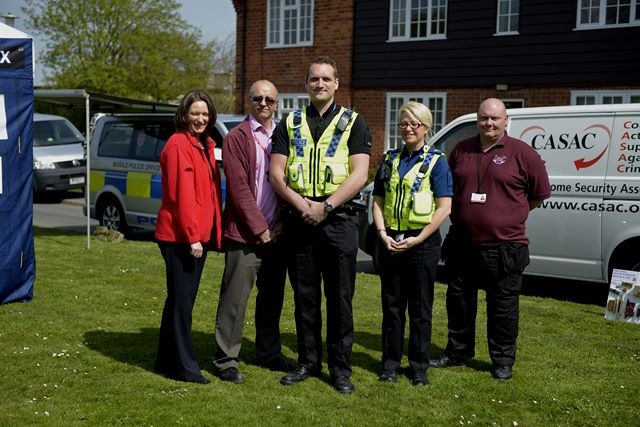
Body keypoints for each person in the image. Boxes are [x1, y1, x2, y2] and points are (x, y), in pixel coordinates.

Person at [269, 56, 371, 394]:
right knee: (305, 297)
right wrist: (304, 206)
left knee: (340, 298)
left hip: (339, 220)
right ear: (307, 84)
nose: (320, 84)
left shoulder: (354, 123)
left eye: (326, 79)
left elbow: (360, 174)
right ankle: (307, 362)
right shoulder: (290, 122)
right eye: (314, 79)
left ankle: (340, 369)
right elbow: (276, 174)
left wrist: (326, 206)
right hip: (301, 220)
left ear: (337, 83)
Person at [430, 98, 551, 380]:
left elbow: (538, 195)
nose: (489, 123)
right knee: (458, 302)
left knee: (503, 307)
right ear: (477, 120)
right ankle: (457, 352)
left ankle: (502, 361)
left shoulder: (523, 153)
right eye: (484, 118)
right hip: (462, 242)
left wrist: (507, 214)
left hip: (505, 245)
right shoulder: (461, 150)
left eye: (495, 118)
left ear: (506, 120)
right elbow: (450, 189)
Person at [212, 80, 291, 383]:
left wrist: (281, 223)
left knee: (272, 298)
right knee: (234, 299)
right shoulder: (236, 137)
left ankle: (269, 353)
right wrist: (260, 230)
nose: (263, 104)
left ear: (277, 102)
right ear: (249, 101)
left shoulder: (283, 136)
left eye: (269, 99)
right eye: (257, 98)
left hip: (278, 231)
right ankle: (226, 359)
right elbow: (239, 189)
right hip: (245, 234)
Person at [371, 101, 452, 387]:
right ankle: (390, 365)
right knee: (392, 307)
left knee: (420, 309)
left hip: (422, 244)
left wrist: (419, 237)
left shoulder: (437, 161)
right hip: (391, 240)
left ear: (426, 128)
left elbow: (444, 208)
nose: (407, 129)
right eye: (403, 124)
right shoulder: (389, 159)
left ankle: (418, 367)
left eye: (413, 124)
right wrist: (382, 233)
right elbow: (378, 202)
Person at [154, 90, 223, 384]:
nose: (200, 118)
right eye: (195, 113)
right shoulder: (178, 145)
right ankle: (185, 367)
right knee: (183, 304)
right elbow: (181, 196)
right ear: (183, 114)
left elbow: (207, 194)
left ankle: (165, 361)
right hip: (181, 238)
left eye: (205, 114)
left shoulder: (204, 144)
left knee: (178, 301)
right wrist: (193, 237)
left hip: (195, 236)